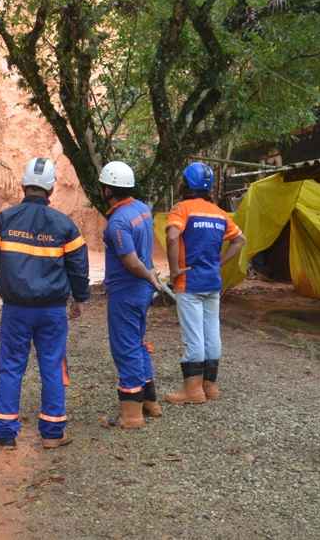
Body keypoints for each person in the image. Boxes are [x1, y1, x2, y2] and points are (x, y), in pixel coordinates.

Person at [0, 157, 90, 449]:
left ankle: (4, 432)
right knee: (51, 366)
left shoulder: (4, 220)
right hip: (52, 311)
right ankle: (52, 434)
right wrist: (79, 298)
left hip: (16, 310)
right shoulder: (65, 225)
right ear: (51, 190)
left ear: (24, 186)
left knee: (11, 366)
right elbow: (78, 266)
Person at [164, 162, 246, 404]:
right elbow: (240, 240)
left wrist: (174, 269)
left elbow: (171, 236)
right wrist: (220, 262)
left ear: (187, 184)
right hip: (212, 281)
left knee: (193, 336)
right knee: (212, 333)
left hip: (188, 281)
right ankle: (210, 386)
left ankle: (192, 391)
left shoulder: (182, 208)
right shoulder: (219, 213)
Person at [98, 161, 163, 429]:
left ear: (107, 190)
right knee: (137, 343)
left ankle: (132, 415)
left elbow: (132, 261)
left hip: (127, 292)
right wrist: (151, 278)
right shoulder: (142, 209)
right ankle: (150, 402)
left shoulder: (118, 222)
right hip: (141, 293)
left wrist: (149, 275)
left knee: (125, 349)